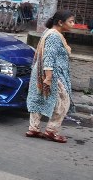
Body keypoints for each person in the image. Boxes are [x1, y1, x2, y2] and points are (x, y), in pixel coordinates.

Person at [25, 10, 75, 143]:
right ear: (60, 22)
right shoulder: (54, 36)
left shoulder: (49, 32)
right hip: (52, 74)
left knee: (38, 98)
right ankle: (51, 131)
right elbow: (49, 57)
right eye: (70, 22)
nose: (73, 24)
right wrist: (48, 78)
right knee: (63, 102)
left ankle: (33, 128)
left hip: (40, 71)